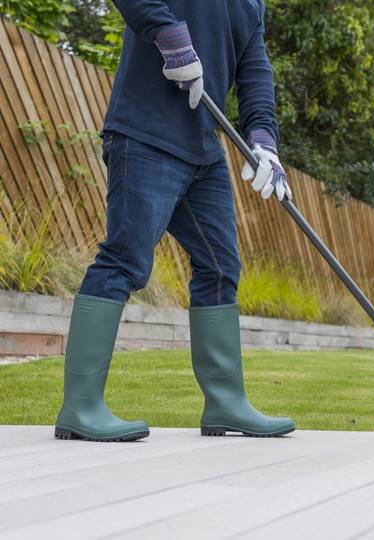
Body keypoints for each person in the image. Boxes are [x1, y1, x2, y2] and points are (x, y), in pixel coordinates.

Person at [54, 0, 295, 442]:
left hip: (204, 150)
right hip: (145, 135)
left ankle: (226, 403)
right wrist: (169, 33)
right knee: (125, 260)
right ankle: (80, 406)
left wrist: (264, 138)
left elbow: (255, 68)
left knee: (220, 268)